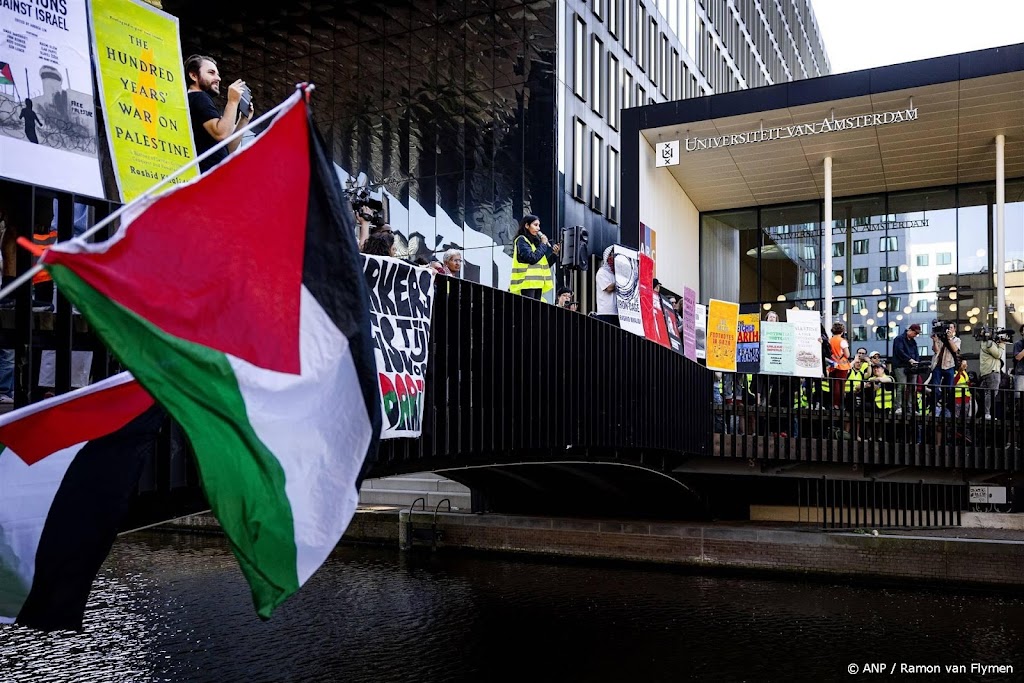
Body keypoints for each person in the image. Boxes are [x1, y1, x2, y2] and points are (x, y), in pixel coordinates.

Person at [185, 54, 254, 173]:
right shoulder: (199, 97)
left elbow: (227, 148)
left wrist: (243, 120)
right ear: (193, 75)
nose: (218, 78)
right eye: (211, 73)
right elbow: (221, 133)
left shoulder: (196, 100)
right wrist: (232, 101)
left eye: (218, 74)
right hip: (206, 177)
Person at [509, 214, 557, 300]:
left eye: (539, 225)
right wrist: (543, 244)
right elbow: (532, 258)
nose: (538, 228)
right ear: (527, 225)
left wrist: (555, 254)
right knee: (528, 311)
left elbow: (544, 264)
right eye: (535, 225)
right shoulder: (522, 240)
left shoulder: (534, 244)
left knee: (535, 312)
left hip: (537, 284)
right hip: (526, 283)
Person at [929, 322, 961, 417]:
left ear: (954, 329)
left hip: (949, 365)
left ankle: (948, 408)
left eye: (951, 328)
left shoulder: (957, 339)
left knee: (949, 389)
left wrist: (949, 338)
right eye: (948, 328)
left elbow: (955, 350)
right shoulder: (940, 338)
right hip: (937, 365)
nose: (949, 330)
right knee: (935, 387)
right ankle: (934, 407)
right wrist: (935, 341)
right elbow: (936, 350)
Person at [892, 323, 922, 414]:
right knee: (902, 385)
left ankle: (911, 407)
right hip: (900, 365)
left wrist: (916, 361)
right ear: (910, 330)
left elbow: (916, 353)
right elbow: (899, 351)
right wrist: (910, 359)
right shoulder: (899, 339)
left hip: (911, 366)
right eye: (915, 333)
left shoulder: (913, 341)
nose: (915, 335)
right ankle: (898, 406)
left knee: (912, 387)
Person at [979, 333, 1006, 419]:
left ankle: (985, 413)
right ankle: (986, 413)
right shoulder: (989, 343)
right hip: (992, 371)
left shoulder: (986, 343)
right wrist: (1002, 345)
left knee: (988, 393)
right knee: (992, 393)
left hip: (987, 371)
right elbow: (998, 354)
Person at [828, 322, 851, 408]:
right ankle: (838, 404)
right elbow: (847, 355)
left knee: (833, 385)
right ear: (842, 331)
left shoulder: (830, 340)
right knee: (840, 385)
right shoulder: (842, 341)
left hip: (832, 364)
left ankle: (834, 403)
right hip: (842, 365)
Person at [594, 245, 618, 326]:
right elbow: (608, 288)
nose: (613, 257)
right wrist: (621, 283)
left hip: (617, 313)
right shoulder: (602, 272)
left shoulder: (617, 274)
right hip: (605, 312)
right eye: (611, 255)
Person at [1013, 324, 1024, 399]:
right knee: (1019, 395)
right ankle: (1018, 410)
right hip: (1021, 373)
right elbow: (1018, 357)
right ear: (1022, 333)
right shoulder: (1018, 344)